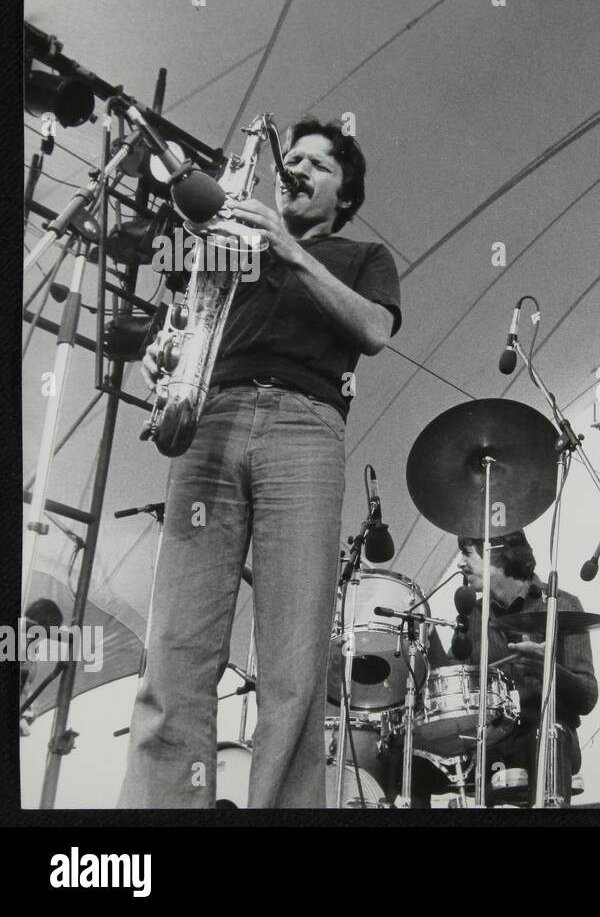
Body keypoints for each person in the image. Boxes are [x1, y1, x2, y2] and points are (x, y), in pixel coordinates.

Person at [120, 118, 401, 808]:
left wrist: (289, 250)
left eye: (316, 164)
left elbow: (373, 330)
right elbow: (189, 319)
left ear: (344, 194)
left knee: (293, 659)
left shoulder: (361, 254)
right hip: (212, 417)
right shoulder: (230, 246)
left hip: (304, 429)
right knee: (177, 643)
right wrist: (167, 352)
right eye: (292, 158)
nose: (296, 167)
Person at [427, 531, 598, 805]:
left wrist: (548, 669)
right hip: (491, 744)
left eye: (467, 553)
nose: (460, 563)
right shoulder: (474, 616)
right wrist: (427, 634)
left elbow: (588, 697)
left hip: (546, 735)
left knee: (547, 737)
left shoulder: (561, 605)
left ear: (498, 554)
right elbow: (453, 683)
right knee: (416, 761)